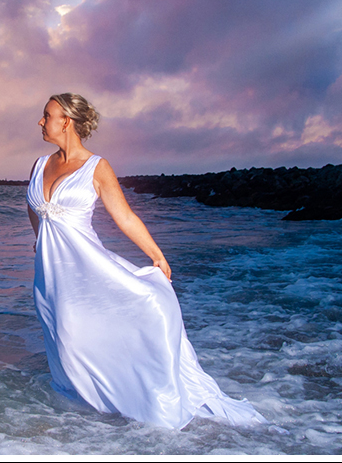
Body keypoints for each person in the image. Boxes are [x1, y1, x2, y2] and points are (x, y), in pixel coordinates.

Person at [26, 93, 267, 430]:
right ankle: (80, 421)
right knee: (61, 342)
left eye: (46, 115)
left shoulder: (97, 167)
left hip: (85, 270)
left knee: (75, 334)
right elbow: (34, 208)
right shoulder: (40, 165)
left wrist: (156, 254)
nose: (40, 121)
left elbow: (124, 217)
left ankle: (132, 405)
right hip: (49, 275)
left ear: (66, 121)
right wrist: (39, 239)